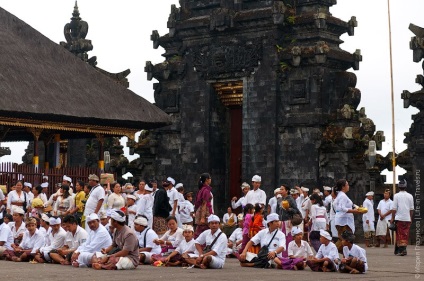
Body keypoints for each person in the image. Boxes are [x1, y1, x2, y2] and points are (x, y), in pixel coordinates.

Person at [333, 179, 361, 252]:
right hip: (344, 221)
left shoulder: (340, 195)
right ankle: (332, 252)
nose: (348, 186)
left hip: (341, 220)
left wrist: (357, 208)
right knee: (346, 240)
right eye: (347, 184)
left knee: (344, 239)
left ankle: (345, 256)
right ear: (343, 187)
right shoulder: (342, 196)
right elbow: (342, 208)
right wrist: (354, 211)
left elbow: (349, 205)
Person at [390, 179, 414, 256]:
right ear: (406, 186)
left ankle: (402, 250)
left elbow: (394, 209)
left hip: (399, 218)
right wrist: (410, 218)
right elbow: (411, 209)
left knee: (399, 234)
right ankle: (398, 249)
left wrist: (392, 218)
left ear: (399, 187)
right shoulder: (410, 196)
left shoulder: (396, 196)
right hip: (407, 218)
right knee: (405, 234)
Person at [276, 184, 301, 257]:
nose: (280, 191)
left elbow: (296, 210)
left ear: (287, 191)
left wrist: (288, 209)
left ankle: (288, 255)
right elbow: (278, 211)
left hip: (288, 221)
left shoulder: (290, 199)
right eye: (280, 189)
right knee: (281, 238)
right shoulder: (280, 199)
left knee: (288, 238)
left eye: (282, 189)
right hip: (281, 222)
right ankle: (281, 255)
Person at [194, 173, 213, 238]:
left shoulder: (201, 190)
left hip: (201, 211)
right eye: (210, 178)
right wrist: (202, 217)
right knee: (205, 230)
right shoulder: (205, 190)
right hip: (205, 212)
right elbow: (204, 204)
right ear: (207, 180)